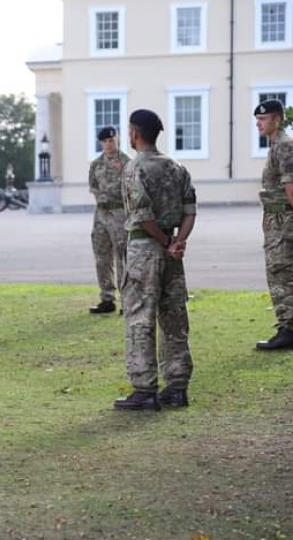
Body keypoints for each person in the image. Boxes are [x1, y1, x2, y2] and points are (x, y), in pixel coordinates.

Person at [114, 109, 197, 411]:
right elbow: (190, 209)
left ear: (135, 133)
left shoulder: (134, 168)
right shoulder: (177, 167)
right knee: (174, 317)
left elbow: (142, 215)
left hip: (145, 250)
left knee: (140, 317)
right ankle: (177, 387)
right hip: (172, 250)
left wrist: (164, 244)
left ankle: (144, 388)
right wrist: (177, 242)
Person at [253, 99, 293, 350]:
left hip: (284, 220)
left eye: (263, 119)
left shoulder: (284, 146)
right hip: (276, 218)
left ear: (277, 119)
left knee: (280, 272)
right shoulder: (276, 145)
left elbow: (291, 187)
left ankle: (288, 329)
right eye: (257, 119)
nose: (258, 123)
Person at [88, 126, 130, 314]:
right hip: (101, 214)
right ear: (101, 143)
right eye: (105, 141)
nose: (109, 144)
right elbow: (93, 186)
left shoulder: (127, 162)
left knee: (122, 257)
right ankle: (107, 298)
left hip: (119, 213)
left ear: (118, 140)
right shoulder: (96, 164)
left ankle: (127, 300)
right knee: (101, 256)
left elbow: (131, 188)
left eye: (112, 141)